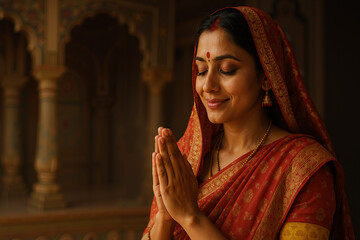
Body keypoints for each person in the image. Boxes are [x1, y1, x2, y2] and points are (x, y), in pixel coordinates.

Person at [142, 6, 354, 240]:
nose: (208, 85)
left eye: (227, 70)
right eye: (201, 70)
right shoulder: (188, 157)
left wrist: (190, 217)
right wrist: (165, 216)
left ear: (266, 77)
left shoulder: (302, 169)